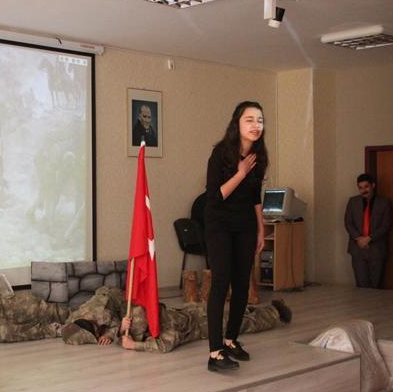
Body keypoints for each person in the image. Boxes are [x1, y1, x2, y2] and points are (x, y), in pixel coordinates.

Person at [203, 101, 268, 372]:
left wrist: (261, 229)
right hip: (219, 224)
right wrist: (241, 173)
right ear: (237, 124)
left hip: (245, 225)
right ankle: (215, 352)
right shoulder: (221, 154)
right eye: (249, 120)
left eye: (260, 120)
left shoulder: (259, 156)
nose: (256, 125)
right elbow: (215, 196)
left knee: (243, 283)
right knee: (221, 282)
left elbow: (255, 198)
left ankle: (231, 340)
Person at [118, 299, 292, 354]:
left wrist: (134, 345)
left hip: (200, 319)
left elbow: (165, 344)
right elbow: (166, 342)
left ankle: (268, 311)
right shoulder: (155, 322)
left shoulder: (162, 324)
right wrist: (122, 330)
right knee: (241, 321)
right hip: (201, 319)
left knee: (241, 319)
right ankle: (274, 311)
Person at [344, 173, 393, 289]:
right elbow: (348, 223)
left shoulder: (384, 203)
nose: (363, 190)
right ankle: (361, 307)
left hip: (376, 249)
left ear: (373, 186)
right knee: (361, 285)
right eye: (360, 187)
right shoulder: (352, 202)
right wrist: (359, 239)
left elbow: (386, 225)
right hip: (358, 249)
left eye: (366, 186)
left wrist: (369, 239)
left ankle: (375, 307)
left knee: (375, 285)